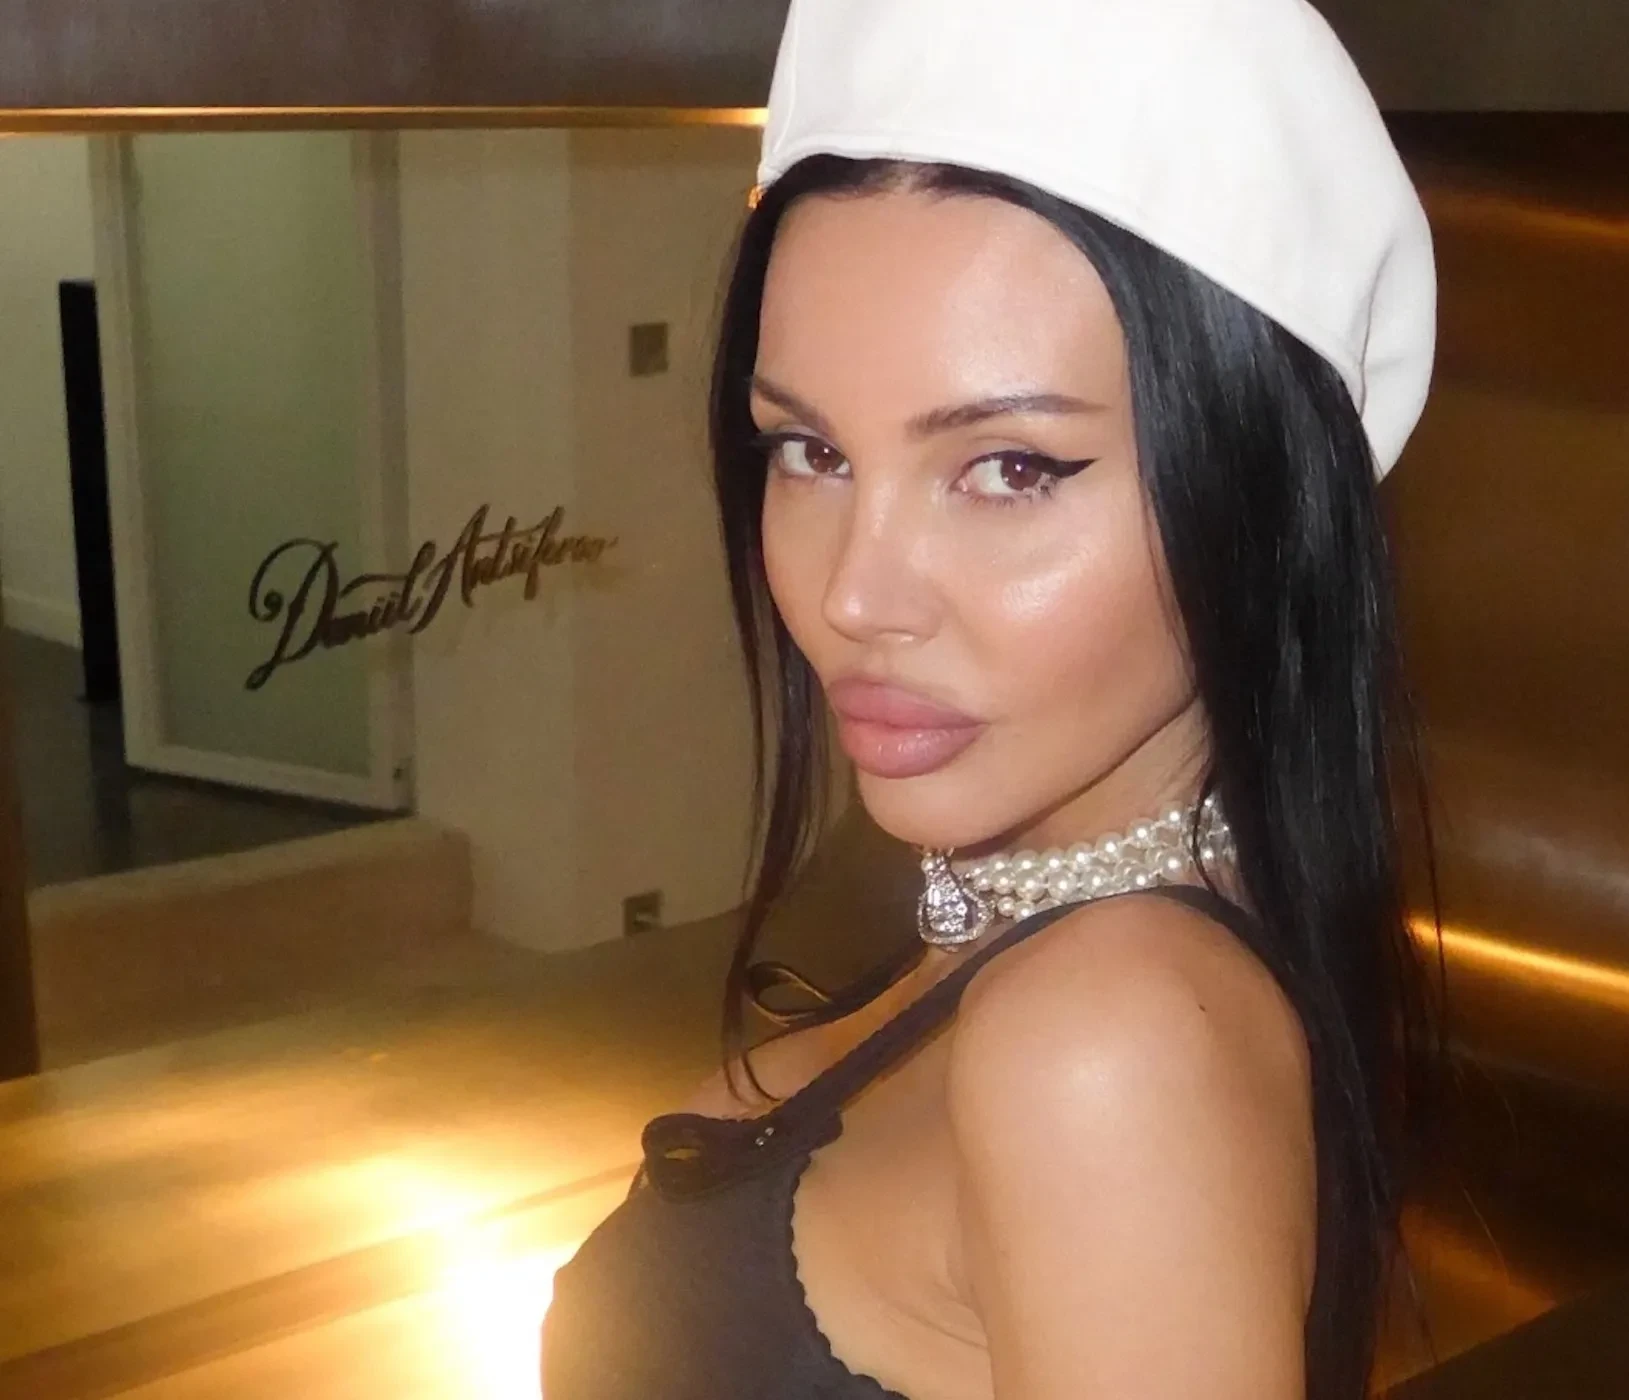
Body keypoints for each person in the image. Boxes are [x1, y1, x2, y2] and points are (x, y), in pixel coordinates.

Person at [540, 1, 1439, 1396]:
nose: (855, 595)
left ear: (1259, 503)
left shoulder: (1108, 1042)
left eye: (1010, 469)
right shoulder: (1060, 945)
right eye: (809, 452)